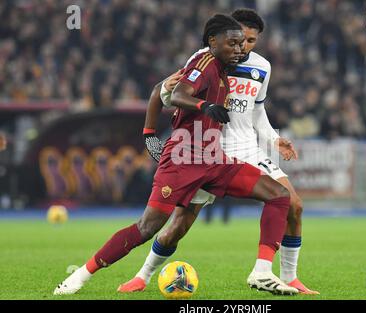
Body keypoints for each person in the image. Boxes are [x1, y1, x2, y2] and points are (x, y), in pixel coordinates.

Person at [54, 14, 297, 296]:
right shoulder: (202, 63)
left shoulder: (223, 68)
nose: (240, 50)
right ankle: (80, 276)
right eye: (233, 44)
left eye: (243, 44)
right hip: (183, 158)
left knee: (279, 195)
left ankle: (262, 272)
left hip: (213, 158)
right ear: (213, 42)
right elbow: (170, 93)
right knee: (147, 227)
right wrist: (173, 122)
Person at [119, 9, 318, 295]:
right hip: (209, 150)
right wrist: (154, 127)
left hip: (246, 146)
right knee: (180, 223)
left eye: (251, 41)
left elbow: (256, 110)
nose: (244, 47)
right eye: (241, 40)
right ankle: (143, 275)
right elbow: (170, 92)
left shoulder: (263, 67)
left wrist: (274, 139)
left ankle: (284, 276)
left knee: (293, 204)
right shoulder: (205, 58)